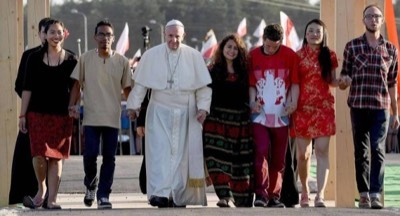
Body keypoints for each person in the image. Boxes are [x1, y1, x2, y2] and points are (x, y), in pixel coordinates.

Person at [126, 19, 212, 208]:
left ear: (184, 36)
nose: (174, 40)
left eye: (177, 37)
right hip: (159, 111)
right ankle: (160, 193)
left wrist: (203, 109)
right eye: (170, 36)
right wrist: (133, 106)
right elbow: (140, 85)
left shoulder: (194, 56)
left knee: (181, 156)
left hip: (186, 112)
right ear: (164, 35)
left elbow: (204, 88)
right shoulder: (151, 55)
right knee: (159, 154)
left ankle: (177, 195)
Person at [339, 4, 399, 209]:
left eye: (377, 16)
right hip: (358, 105)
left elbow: (392, 83)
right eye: (370, 16)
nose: (374, 19)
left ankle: (375, 194)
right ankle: (363, 194)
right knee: (361, 151)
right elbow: (344, 75)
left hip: (381, 107)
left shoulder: (391, 49)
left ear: (382, 21)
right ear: (363, 20)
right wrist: (344, 81)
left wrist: (395, 113)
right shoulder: (352, 46)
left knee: (377, 149)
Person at [68, 20, 132, 209]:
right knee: (89, 155)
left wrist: (133, 108)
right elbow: (77, 85)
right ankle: (91, 184)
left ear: (113, 38)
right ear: (95, 37)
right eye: (101, 34)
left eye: (109, 35)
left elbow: (128, 88)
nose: (105, 38)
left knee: (109, 158)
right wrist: (72, 105)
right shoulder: (85, 59)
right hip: (91, 117)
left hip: (112, 117)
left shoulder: (122, 61)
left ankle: (104, 195)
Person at [18, 19, 77, 209]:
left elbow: (76, 86)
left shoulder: (72, 59)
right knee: (39, 155)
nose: (56, 36)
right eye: (52, 32)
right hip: (36, 114)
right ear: (45, 34)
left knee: (56, 157)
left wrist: (72, 105)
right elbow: (27, 88)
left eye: (59, 32)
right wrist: (22, 115)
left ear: (64, 34)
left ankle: (52, 199)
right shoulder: (33, 58)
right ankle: (41, 187)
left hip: (61, 115)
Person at [248, 23, 300, 208]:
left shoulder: (290, 55)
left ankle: (274, 196)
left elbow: (294, 83)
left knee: (279, 158)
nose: (271, 50)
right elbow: (252, 84)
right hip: (259, 115)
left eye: (275, 46)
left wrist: (293, 103)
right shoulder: (252, 55)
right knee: (261, 151)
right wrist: (252, 102)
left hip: (282, 115)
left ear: (281, 43)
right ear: (263, 39)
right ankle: (260, 194)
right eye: (268, 45)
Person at [290, 19, 339, 208]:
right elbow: (294, 82)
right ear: (305, 34)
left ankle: (320, 194)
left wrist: (342, 82)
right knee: (303, 155)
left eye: (318, 31)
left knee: (322, 151)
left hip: (323, 108)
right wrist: (292, 102)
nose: (314, 34)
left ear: (323, 34)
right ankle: (304, 189)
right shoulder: (298, 56)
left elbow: (332, 81)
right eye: (310, 31)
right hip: (302, 109)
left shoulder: (330, 55)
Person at [203, 34, 254, 208]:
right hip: (215, 122)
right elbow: (203, 94)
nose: (231, 51)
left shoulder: (245, 72)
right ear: (222, 49)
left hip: (240, 123)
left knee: (240, 164)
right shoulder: (211, 70)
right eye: (228, 47)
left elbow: (251, 95)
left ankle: (241, 200)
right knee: (215, 159)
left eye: (235, 48)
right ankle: (224, 196)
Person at [9, 17, 51, 206]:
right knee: (25, 155)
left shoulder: (66, 55)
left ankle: (49, 195)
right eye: (45, 32)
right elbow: (21, 85)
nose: (49, 36)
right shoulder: (30, 55)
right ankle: (22, 197)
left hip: (54, 115)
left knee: (52, 157)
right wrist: (27, 109)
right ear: (40, 33)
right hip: (33, 113)